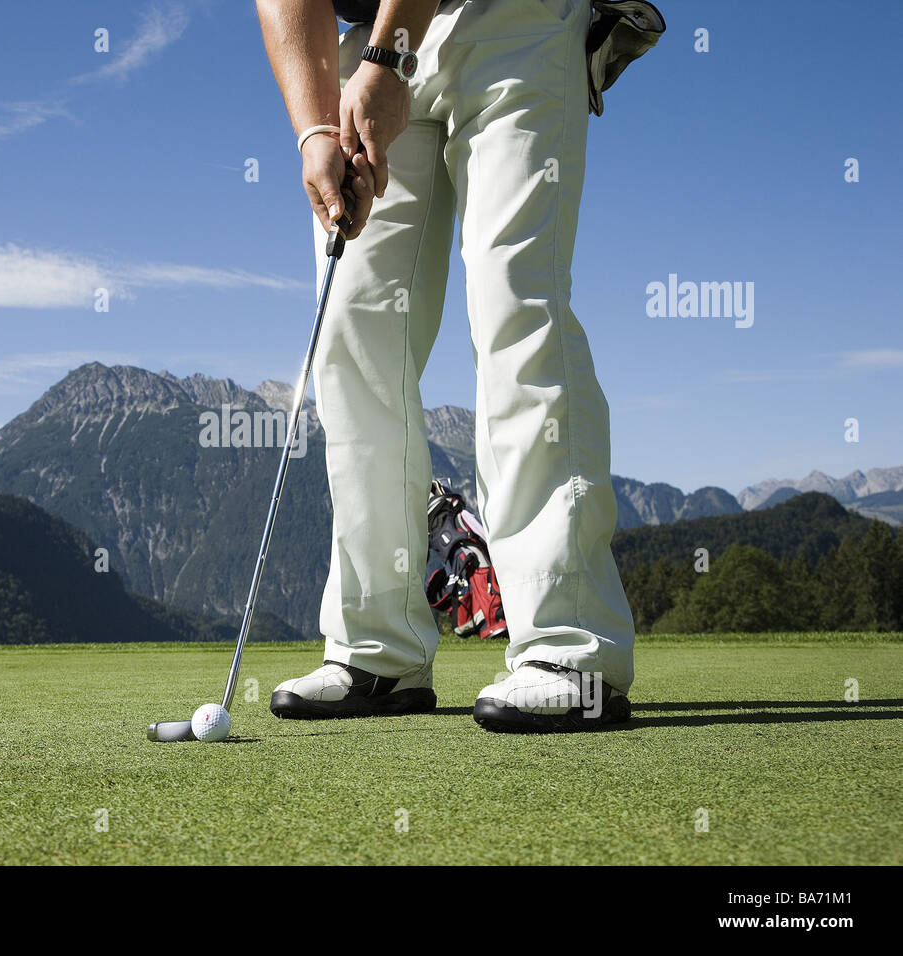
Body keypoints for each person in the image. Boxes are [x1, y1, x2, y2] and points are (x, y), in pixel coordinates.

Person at [255, 0, 658, 732]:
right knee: (351, 324)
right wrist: (314, 129)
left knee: (513, 297)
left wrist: (389, 59)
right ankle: (378, 649)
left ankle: (570, 647)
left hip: (515, 21)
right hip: (366, 43)